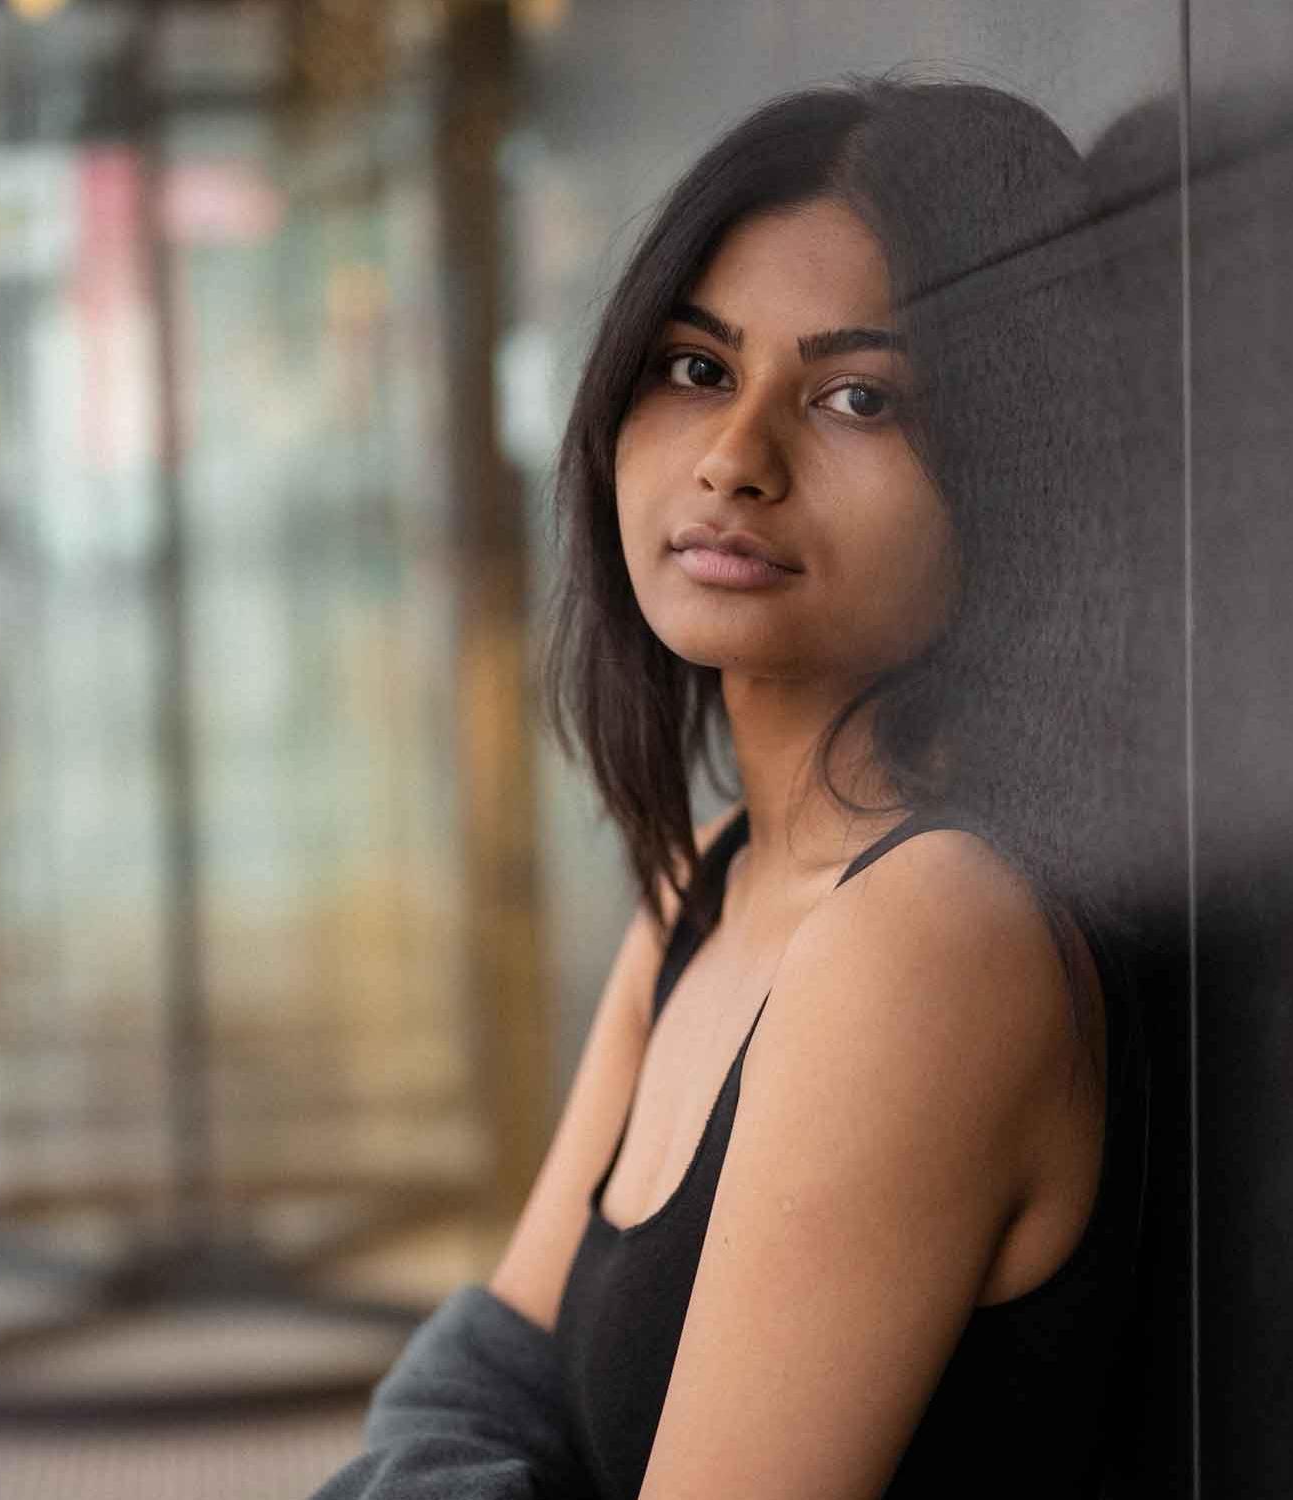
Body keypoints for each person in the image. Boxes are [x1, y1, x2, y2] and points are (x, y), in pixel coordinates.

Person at [315, 74, 1150, 1500]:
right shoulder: (712, 883)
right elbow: (481, 1378)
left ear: (1014, 473)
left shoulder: (929, 939)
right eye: (698, 368)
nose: (735, 458)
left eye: (857, 397)